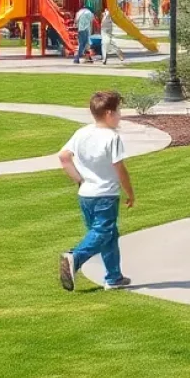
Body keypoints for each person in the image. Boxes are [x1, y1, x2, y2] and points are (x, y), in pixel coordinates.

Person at [58, 91, 135, 292]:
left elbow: (64, 157)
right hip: (105, 195)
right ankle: (75, 257)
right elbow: (120, 168)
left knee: (109, 235)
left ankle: (114, 277)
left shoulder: (81, 133)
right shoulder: (112, 137)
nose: (120, 115)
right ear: (109, 113)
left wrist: (79, 180)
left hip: (86, 194)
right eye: (118, 111)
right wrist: (129, 192)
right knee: (103, 232)